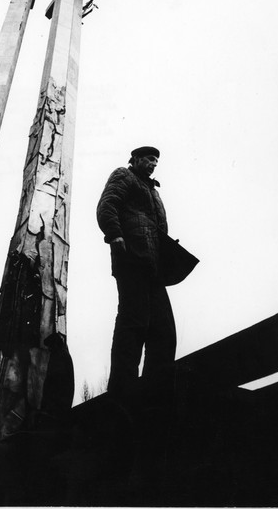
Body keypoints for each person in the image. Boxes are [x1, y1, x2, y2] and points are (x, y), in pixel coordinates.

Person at [96, 146, 176, 403]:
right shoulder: (124, 176)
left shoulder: (153, 191)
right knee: (134, 323)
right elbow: (107, 204)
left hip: (154, 268)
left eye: (156, 161)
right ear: (136, 160)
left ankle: (155, 388)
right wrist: (114, 233)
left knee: (164, 330)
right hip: (132, 259)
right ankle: (122, 390)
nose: (153, 163)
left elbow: (158, 229)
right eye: (149, 159)